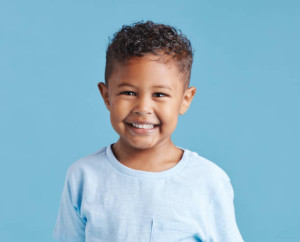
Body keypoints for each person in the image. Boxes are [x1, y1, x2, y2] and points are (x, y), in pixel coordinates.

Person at [53, 20, 244, 242]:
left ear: (185, 100)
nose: (143, 108)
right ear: (107, 96)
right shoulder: (83, 177)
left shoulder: (209, 182)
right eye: (128, 93)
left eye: (159, 95)